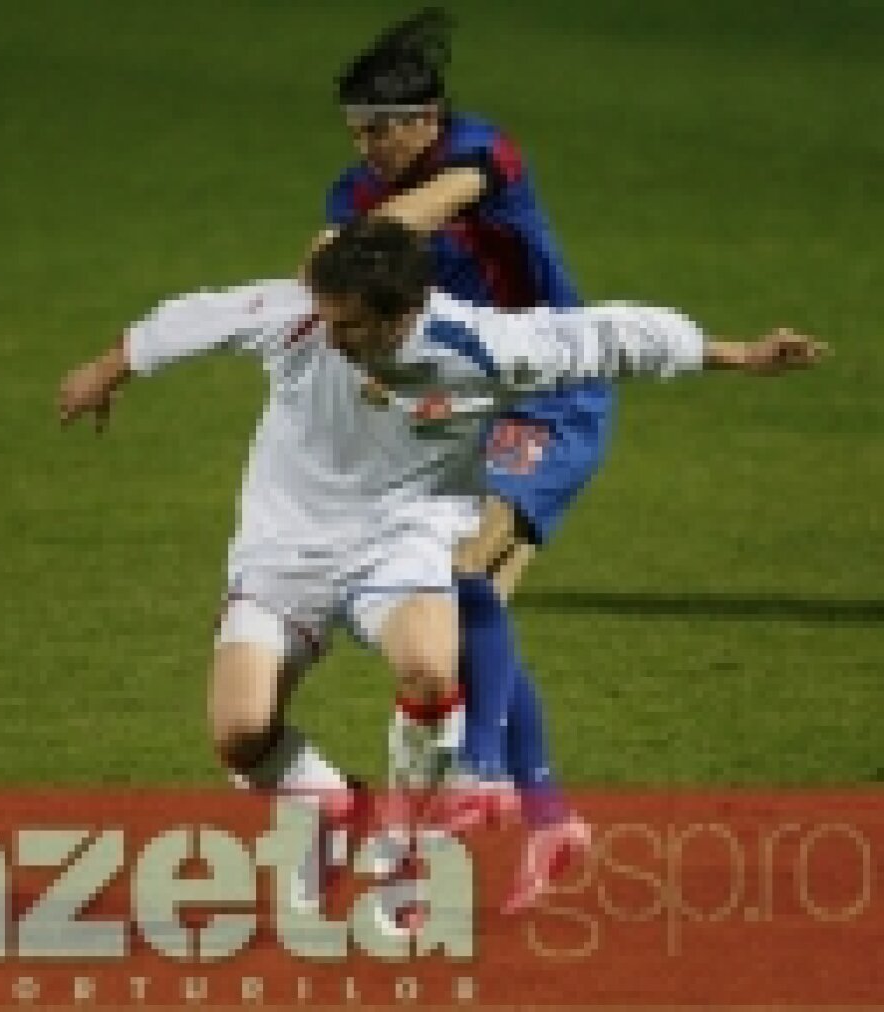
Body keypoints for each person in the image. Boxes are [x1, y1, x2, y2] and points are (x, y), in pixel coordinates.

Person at [58, 222, 825, 893]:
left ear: (403, 317)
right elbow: (192, 320)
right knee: (240, 733)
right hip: (281, 549)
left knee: (429, 666)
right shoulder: (301, 318)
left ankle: (404, 849)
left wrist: (740, 355)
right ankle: (335, 809)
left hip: (403, 536)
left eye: (351, 326)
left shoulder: (481, 348)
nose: (331, 336)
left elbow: (615, 336)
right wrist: (105, 371)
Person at [319, 8, 611, 885]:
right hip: (466, 406)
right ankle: (548, 816)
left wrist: (348, 252)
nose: (367, 148)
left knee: (462, 571)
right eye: (356, 132)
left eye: (380, 130)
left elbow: (419, 216)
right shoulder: (353, 193)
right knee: (467, 609)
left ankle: (482, 773)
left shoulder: (483, 154)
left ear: (426, 119)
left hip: (549, 390)